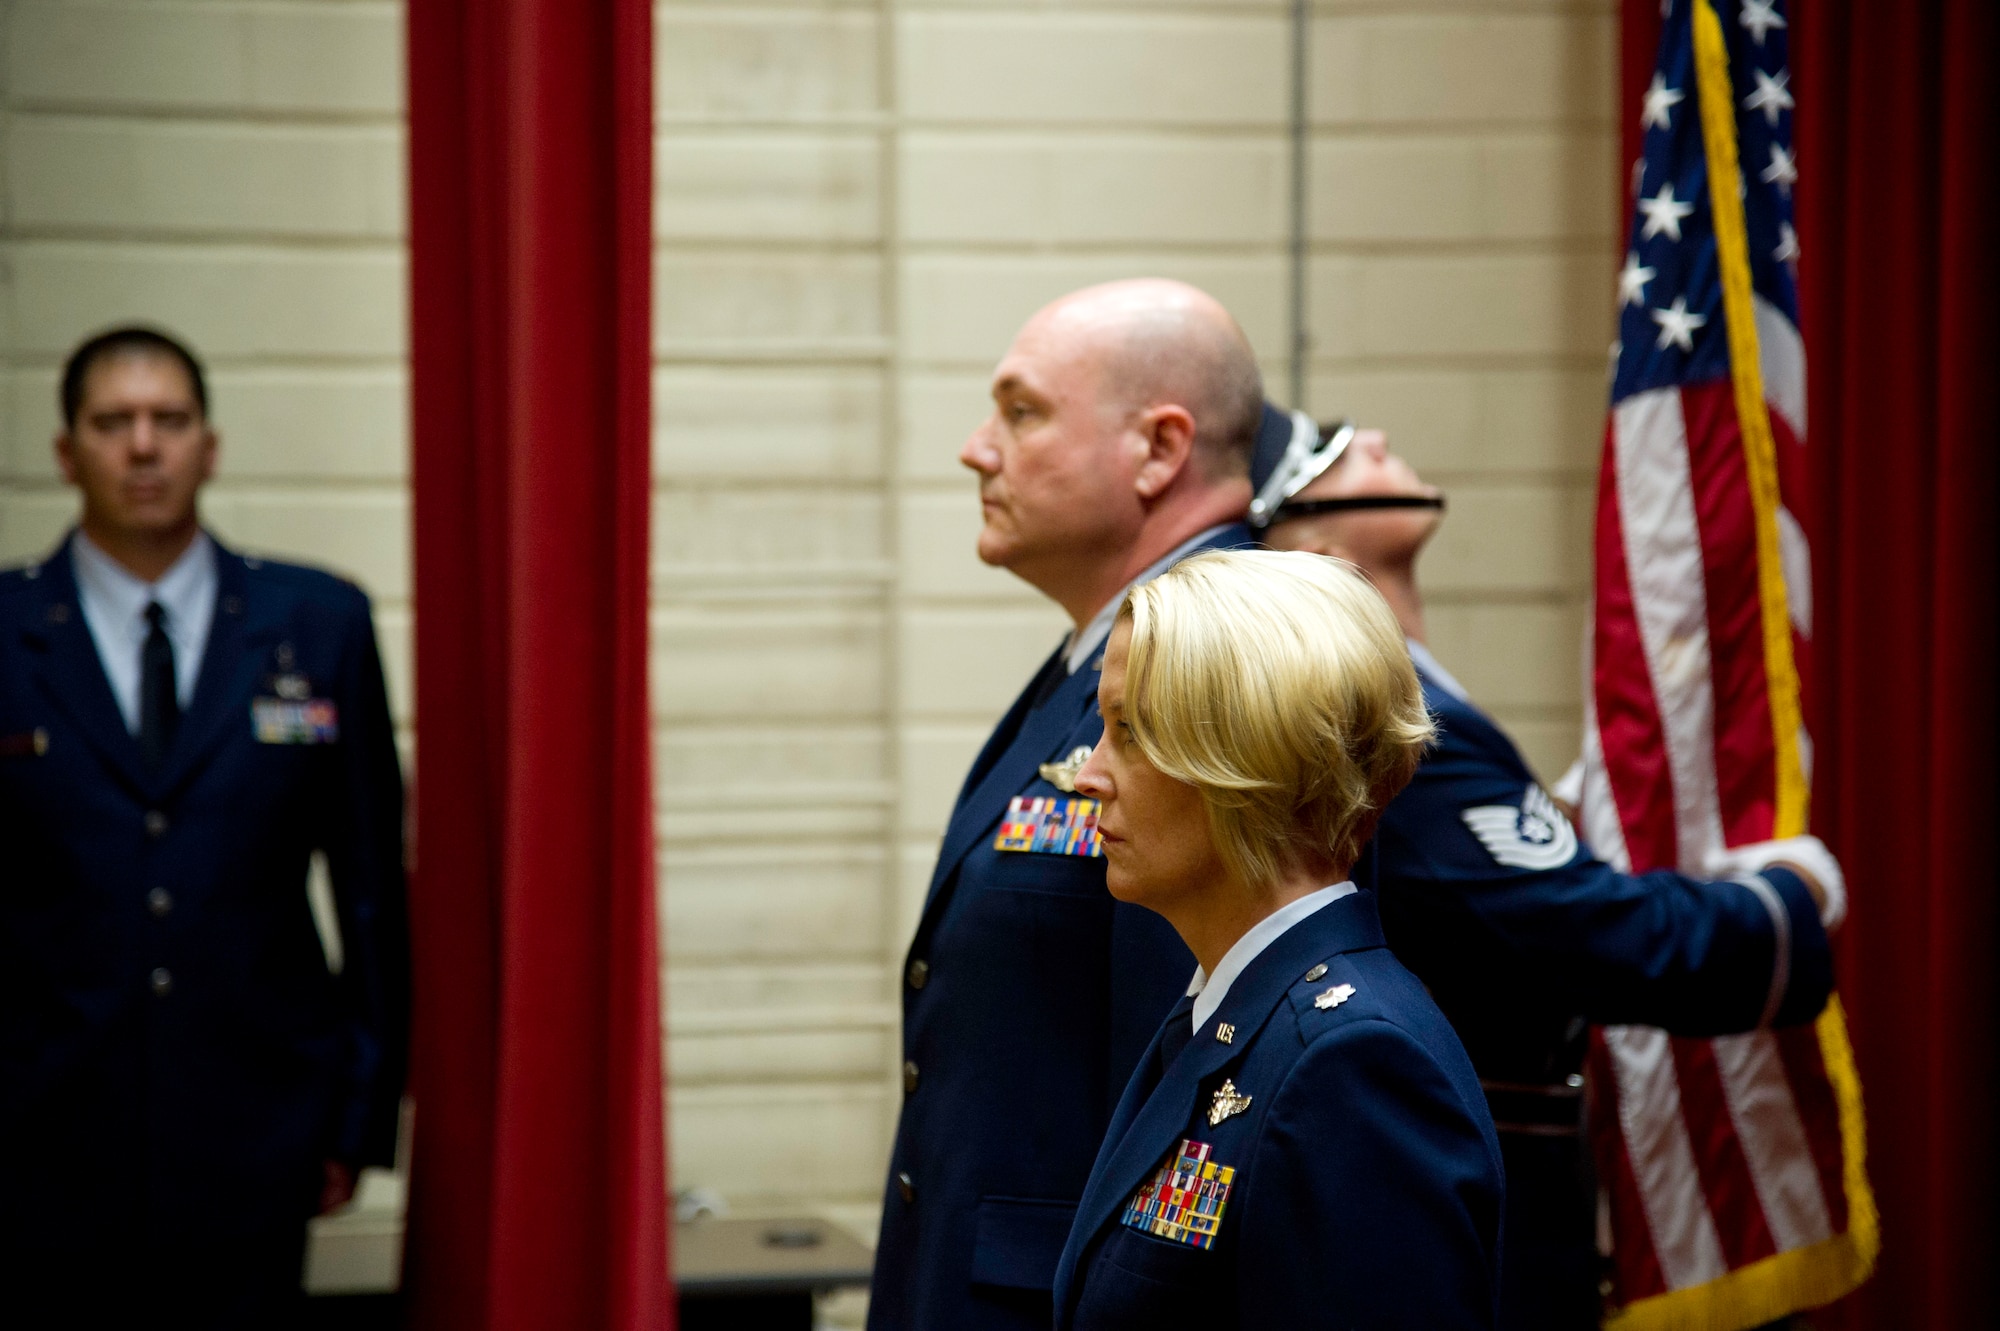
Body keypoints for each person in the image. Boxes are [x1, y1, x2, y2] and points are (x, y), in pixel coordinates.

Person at [1255, 414, 1844, 1330]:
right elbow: (1592, 935)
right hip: (1488, 1202)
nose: (1371, 434)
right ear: (1317, 551)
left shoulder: (1408, 699)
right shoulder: (1397, 725)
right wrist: (1789, 898)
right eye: (1329, 456)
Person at [868, 280, 1263, 1331]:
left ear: (1157, 449)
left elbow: (1192, 1071)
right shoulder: (1103, 656)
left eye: (1022, 411)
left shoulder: (1214, 664)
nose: (977, 449)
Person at [0, 326, 409, 1325]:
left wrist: (358, 1118)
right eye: (113, 422)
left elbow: (371, 894)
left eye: (170, 420)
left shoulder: (316, 624)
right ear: (66, 452)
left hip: (258, 1134)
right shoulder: (8, 632)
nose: (144, 446)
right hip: (41, 1138)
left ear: (210, 446)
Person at [1054, 548, 1502, 1329]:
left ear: (1248, 755)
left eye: (1131, 732)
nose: (1088, 774)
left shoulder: (1350, 1066)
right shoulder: (1231, 1015)